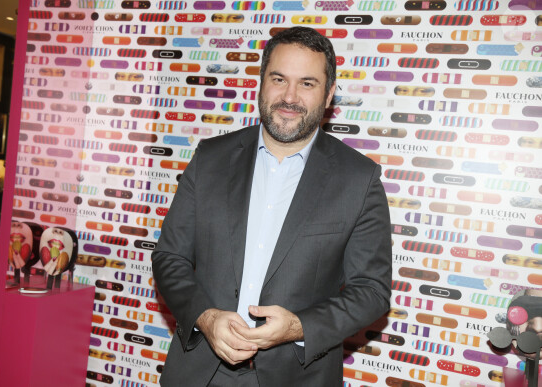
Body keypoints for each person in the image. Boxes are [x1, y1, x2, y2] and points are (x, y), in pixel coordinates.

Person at [152, 26, 392, 386]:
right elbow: (169, 257)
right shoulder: (210, 159)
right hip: (199, 370)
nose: (290, 96)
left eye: (307, 83)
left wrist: (297, 327)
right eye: (279, 78)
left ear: (328, 96)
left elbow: (371, 291)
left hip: (296, 375)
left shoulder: (359, 180)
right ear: (261, 83)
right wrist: (206, 317)